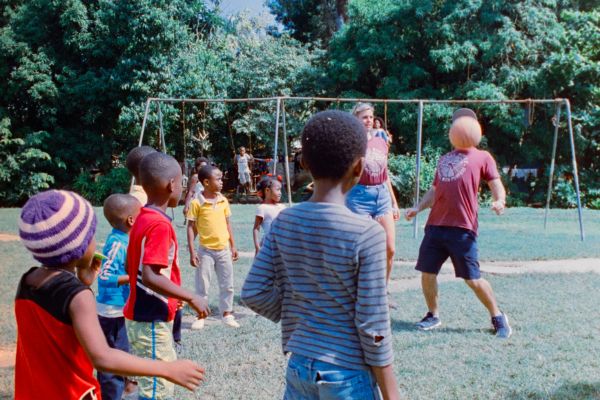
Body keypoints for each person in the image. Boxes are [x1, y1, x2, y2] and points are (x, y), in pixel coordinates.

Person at [242, 110, 400, 400]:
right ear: (359, 167)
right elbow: (373, 325)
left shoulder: (284, 222)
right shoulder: (367, 234)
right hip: (348, 375)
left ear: (304, 163)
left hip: (299, 367)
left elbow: (253, 291)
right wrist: (392, 395)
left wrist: (300, 314)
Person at [15, 190, 206, 400]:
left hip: (32, 392)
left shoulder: (28, 281)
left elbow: (57, 323)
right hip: (73, 393)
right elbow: (102, 357)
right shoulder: (79, 297)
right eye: (91, 235)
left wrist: (82, 280)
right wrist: (167, 369)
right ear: (79, 244)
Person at [404, 108, 512, 338]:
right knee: (427, 273)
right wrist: (417, 208)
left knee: (472, 278)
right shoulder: (445, 158)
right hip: (435, 227)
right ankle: (433, 315)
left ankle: (498, 316)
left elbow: (495, 183)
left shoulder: (483, 157)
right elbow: (434, 191)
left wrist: (500, 200)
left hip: (462, 228)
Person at [123, 152, 211, 399]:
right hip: (150, 317)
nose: (183, 188)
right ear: (171, 184)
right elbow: (151, 276)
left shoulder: (142, 216)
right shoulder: (159, 225)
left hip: (143, 315)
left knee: (153, 384)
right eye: (182, 183)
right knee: (158, 388)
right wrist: (191, 296)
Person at [347, 103, 400, 284]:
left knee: (389, 248)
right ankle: (358, 290)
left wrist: (394, 203)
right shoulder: (351, 142)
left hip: (382, 196)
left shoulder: (381, 141)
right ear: (356, 119)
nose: (369, 120)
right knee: (361, 248)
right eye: (364, 117)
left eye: (370, 117)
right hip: (359, 197)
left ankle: (382, 291)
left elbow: (385, 174)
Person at [96, 194, 141, 400]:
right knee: (113, 357)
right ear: (131, 220)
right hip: (110, 310)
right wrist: (132, 277)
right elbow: (105, 276)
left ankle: (127, 385)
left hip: (120, 308)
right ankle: (112, 393)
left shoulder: (126, 238)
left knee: (122, 352)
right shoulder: (116, 243)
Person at [186, 165, 240, 330]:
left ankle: (227, 314)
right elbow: (190, 227)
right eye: (218, 179)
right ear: (206, 182)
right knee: (202, 285)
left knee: (227, 284)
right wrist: (192, 251)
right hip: (205, 252)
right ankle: (201, 315)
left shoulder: (223, 200)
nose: (221, 182)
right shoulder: (197, 203)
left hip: (223, 250)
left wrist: (233, 245)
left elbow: (227, 223)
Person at [252, 176, 286, 255]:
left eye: (280, 190)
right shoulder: (262, 208)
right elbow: (256, 229)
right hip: (268, 246)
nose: (280, 193)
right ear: (267, 190)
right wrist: (257, 247)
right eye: (277, 189)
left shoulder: (282, 207)